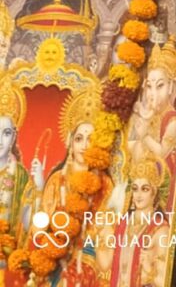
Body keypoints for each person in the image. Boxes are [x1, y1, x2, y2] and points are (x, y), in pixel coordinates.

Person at [28, 83, 114, 287]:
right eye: (79, 139)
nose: (84, 145)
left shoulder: (104, 183)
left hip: (88, 253)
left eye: (90, 140)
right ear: (71, 143)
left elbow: (107, 226)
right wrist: (48, 238)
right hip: (55, 250)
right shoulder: (58, 179)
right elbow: (42, 218)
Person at [126, 38, 176, 206]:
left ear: (172, 87)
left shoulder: (173, 119)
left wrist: (144, 136)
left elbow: (161, 153)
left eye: (159, 86)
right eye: (149, 86)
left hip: (159, 188)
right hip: (138, 181)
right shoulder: (148, 114)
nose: (152, 93)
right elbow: (136, 145)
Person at [97, 158, 172, 287]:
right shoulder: (123, 224)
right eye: (135, 189)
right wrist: (101, 234)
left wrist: (149, 270)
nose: (138, 195)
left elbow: (165, 281)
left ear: (154, 192)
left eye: (145, 189)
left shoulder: (160, 230)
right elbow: (104, 265)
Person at [0, 76, 41, 257]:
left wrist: (39, 188)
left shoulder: (20, 176)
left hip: (7, 258)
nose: (0, 140)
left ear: (13, 137)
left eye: (6, 133)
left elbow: (29, 223)